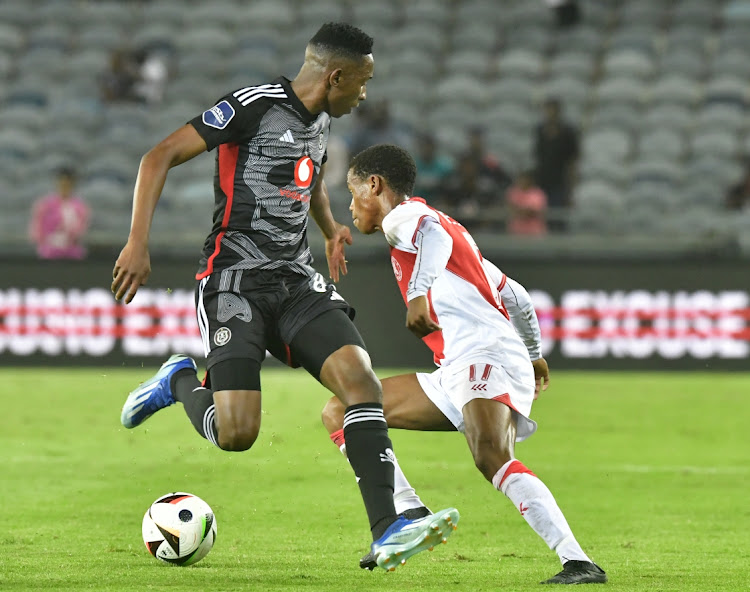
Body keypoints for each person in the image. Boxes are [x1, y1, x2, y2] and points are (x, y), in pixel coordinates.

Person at [111, 23, 458, 572]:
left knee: (360, 383)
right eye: (362, 82)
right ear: (336, 75)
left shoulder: (321, 121)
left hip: (295, 281)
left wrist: (327, 227)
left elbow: (309, 175)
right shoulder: (251, 107)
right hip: (235, 282)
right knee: (237, 433)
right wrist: (137, 243)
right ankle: (179, 379)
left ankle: (388, 527)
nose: (365, 94)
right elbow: (156, 158)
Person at [320, 143, 607, 585]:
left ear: (374, 185)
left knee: (491, 455)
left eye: (353, 191)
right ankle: (409, 511)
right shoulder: (458, 236)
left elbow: (431, 234)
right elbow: (516, 296)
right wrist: (534, 356)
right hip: (459, 365)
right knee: (341, 411)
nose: (352, 205)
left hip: (483, 354)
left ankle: (578, 561)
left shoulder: (405, 218)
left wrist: (418, 293)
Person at [533, 98, 579, 233]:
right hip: (542, 177)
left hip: (560, 179)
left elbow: (572, 159)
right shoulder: (540, 131)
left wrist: (571, 182)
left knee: (558, 213)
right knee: (542, 213)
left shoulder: (567, 132)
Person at [29, 167, 90, 259]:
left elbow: (81, 228)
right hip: (48, 249)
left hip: (71, 250)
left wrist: (70, 238)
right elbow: (37, 226)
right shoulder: (45, 205)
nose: (64, 187)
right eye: (62, 184)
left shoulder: (79, 207)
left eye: (67, 184)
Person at [412, 132, 454, 204]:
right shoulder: (413, 166)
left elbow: (450, 184)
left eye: (429, 146)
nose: (427, 149)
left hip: (437, 202)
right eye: (424, 146)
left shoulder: (444, 166)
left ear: (434, 147)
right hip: (417, 202)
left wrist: (439, 183)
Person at [505, 170, 548, 236]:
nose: (523, 181)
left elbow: (536, 211)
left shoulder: (538, 193)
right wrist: (523, 211)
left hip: (535, 232)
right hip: (516, 231)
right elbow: (509, 208)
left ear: (530, 181)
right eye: (521, 179)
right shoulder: (513, 192)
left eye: (525, 179)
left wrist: (521, 211)